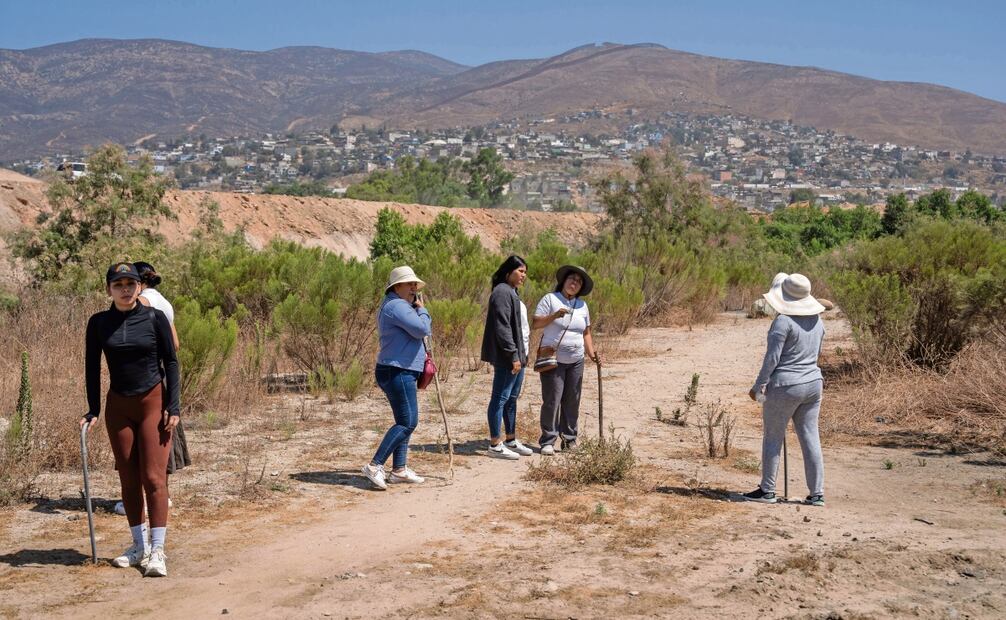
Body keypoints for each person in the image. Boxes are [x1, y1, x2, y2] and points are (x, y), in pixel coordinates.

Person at [81, 262, 180, 577]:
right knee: (128, 477)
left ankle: (158, 550)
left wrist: (174, 406)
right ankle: (139, 546)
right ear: (109, 288)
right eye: (118, 284)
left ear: (140, 287)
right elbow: (91, 367)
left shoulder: (155, 318)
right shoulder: (98, 323)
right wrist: (93, 410)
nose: (125, 289)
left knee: (153, 477)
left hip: (153, 403)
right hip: (118, 406)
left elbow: (172, 361)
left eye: (130, 284)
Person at [743, 273, 827, 507]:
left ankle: (767, 490)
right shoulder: (818, 320)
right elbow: (817, 351)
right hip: (813, 384)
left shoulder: (782, 322)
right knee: (811, 437)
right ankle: (817, 493)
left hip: (785, 386)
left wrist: (758, 386)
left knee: (773, 437)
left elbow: (772, 359)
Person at [113, 261, 189, 516]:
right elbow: (175, 344)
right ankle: (161, 495)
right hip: (161, 376)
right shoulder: (164, 302)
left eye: (130, 281)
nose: (126, 288)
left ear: (138, 281)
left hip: (146, 378)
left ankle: (142, 500)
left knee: (144, 444)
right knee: (161, 438)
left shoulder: (143, 303)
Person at [362, 266, 432, 490]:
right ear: (396, 286)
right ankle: (375, 465)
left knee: (404, 420)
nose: (414, 288)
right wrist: (423, 310)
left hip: (399, 370)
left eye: (415, 284)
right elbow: (422, 329)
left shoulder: (398, 305)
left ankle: (399, 469)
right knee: (407, 421)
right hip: (398, 371)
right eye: (409, 284)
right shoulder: (397, 306)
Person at [534, 265, 601, 455]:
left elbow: (586, 332)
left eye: (579, 282)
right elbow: (536, 323)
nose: (574, 283)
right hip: (553, 359)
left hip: (576, 360)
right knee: (552, 400)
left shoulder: (582, 306)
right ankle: (548, 440)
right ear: (563, 281)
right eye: (571, 279)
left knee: (572, 400)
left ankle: (569, 440)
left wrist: (592, 353)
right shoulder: (550, 299)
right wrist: (554, 315)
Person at [480, 255, 534, 460]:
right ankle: (495, 444)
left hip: (518, 355)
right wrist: (513, 354)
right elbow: (502, 327)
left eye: (525, 272)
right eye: (520, 271)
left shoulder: (512, 292)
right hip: (508, 357)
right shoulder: (502, 292)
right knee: (500, 398)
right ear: (508, 271)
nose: (524, 275)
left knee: (511, 399)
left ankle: (510, 439)